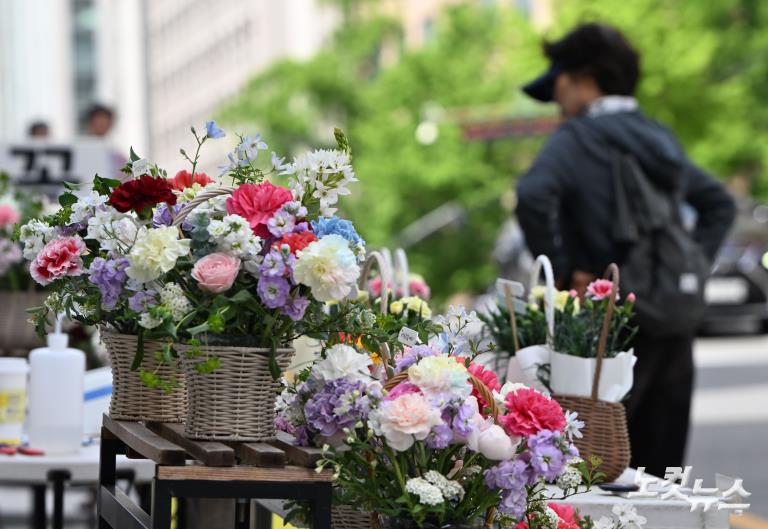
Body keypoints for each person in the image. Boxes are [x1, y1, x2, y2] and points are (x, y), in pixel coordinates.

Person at [515, 23, 735, 477]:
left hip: (610, 324)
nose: (556, 97)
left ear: (583, 78)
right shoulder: (657, 135)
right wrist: (691, 263)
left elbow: (533, 194)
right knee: (661, 471)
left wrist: (563, 273)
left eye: (559, 81)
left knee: (596, 467)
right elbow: (719, 203)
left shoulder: (576, 139)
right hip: (673, 315)